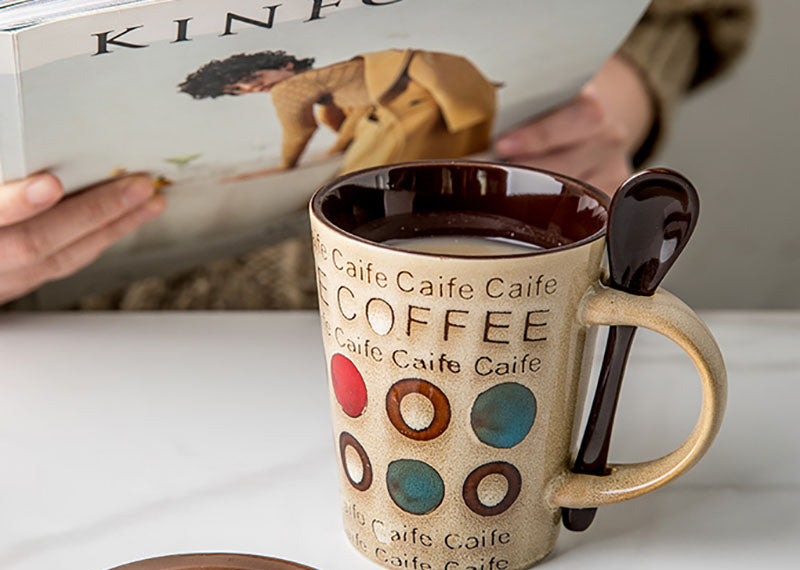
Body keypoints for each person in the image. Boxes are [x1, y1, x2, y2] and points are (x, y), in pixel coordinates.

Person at [0, 0, 755, 310]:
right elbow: (301, 135)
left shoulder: (334, 82)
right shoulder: (294, 98)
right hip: (62, 355)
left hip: (454, 293)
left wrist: (599, 105)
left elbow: (688, 11)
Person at [179, 48, 496, 176]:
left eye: (250, 78)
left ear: (286, 66)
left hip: (417, 105)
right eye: (236, 90)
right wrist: (337, 148)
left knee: (361, 181)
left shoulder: (289, 90)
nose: (249, 89)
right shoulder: (324, 79)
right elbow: (359, 112)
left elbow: (299, 131)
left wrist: (285, 166)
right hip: (440, 91)